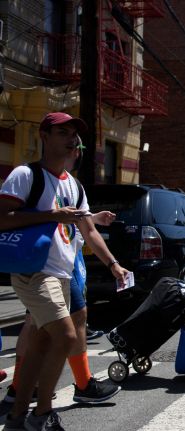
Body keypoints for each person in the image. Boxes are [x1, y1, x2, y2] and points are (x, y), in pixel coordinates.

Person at [0, 112, 129, 430]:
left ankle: (17, 416)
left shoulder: (74, 186)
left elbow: (90, 231)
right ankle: (42, 414)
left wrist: (113, 264)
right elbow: (1, 218)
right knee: (67, 335)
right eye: (62, 132)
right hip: (34, 271)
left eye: (74, 133)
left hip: (63, 273)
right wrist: (51, 215)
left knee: (43, 344)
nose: (72, 138)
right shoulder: (25, 175)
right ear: (44, 136)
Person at [5, 210, 121, 406]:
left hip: (61, 263)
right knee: (66, 328)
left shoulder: (71, 185)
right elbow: (14, 216)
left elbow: (75, 222)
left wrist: (92, 220)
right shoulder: (30, 179)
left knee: (38, 324)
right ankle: (42, 404)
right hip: (46, 265)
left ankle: (23, 392)